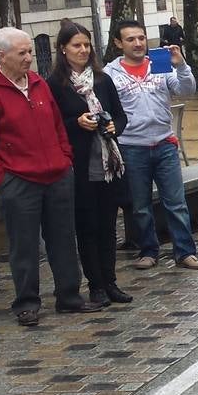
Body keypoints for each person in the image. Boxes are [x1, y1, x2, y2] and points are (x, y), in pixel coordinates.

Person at [0, 27, 103, 326]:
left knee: (63, 239)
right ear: (2, 56)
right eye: (22, 53)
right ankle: (27, 302)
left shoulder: (39, 84)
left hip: (57, 174)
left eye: (30, 51)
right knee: (24, 244)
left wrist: (65, 159)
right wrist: (2, 176)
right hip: (18, 179)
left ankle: (69, 295)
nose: (29, 58)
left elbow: (57, 126)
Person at [104, 19, 198, 270]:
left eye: (141, 38)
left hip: (164, 143)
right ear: (118, 43)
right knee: (140, 205)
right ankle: (148, 250)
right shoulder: (110, 74)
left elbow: (186, 90)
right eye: (130, 39)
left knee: (176, 202)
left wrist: (181, 66)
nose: (138, 44)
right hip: (131, 147)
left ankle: (185, 251)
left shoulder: (159, 64)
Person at [47, 22, 133, 307]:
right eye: (76, 45)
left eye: (86, 45)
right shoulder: (56, 84)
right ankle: (95, 284)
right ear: (63, 49)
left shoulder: (102, 79)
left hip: (109, 161)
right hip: (80, 164)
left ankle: (110, 282)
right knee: (87, 226)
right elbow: (54, 124)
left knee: (108, 225)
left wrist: (113, 128)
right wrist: (77, 123)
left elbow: (121, 116)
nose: (83, 50)